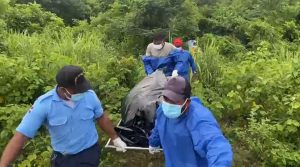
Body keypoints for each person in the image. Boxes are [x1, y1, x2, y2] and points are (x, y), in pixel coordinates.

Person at [0, 65, 127, 167]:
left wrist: (115, 138)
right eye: (76, 90)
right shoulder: (44, 104)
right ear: (62, 89)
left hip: (89, 153)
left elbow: (101, 117)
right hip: (64, 159)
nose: (81, 92)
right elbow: (21, 136)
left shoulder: (89, 95)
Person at [148, 76, 233, 167]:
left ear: (187, 102)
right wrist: (153, 142)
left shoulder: (199, 118)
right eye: (166, 98)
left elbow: (217, 146)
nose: (169, 104)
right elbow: (159, 126)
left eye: (174, 101)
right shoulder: (162, 110)